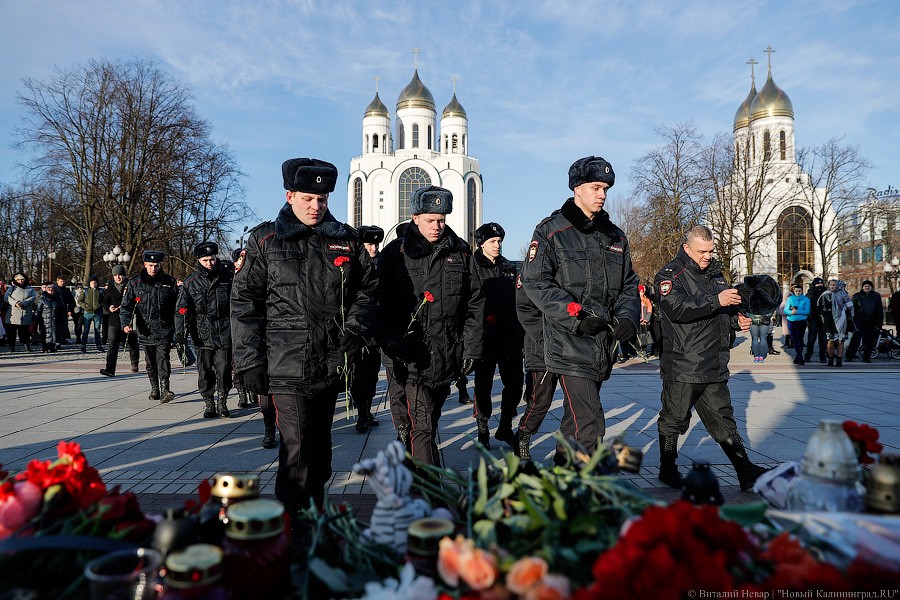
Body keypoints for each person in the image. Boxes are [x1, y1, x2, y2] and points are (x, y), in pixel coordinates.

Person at [231, 158, 378, 532]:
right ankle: (294, 519)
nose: (316, 206)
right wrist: (249, 360)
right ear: (290, 195)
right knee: (296, 446)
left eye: (323, 199)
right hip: (285, 363)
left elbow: (369, 289)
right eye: (309, 198)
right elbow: (245, 302)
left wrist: (355, 327)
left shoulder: (345, 238)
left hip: (330, 360)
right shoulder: (266, 239)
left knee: (320, 445)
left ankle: (314, 508)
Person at [520, 156, 639, 461]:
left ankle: (562, 480)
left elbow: (628, 283)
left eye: (606, 188)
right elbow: (535, 282)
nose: (602, 194)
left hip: (601, 344)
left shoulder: (615, 236)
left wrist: (627, 316)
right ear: (577, 188)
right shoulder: (551, 231)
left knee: (575, 420)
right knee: (590, 422)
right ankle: (584, 488)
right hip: (567, 342)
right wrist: (576, 316)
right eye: (596, 187)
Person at [377, 185, 484, 466]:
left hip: (447, 353)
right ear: (415, 217)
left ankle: (412, 468)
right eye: (430, 220)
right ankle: (427, 490)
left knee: (429, 423)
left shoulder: (460, 253)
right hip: (410, 355)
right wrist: (390, 341)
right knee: (422, 426)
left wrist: (471, 349)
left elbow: (474, 303)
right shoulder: (394, 254)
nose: (437, 226)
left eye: (441, 220)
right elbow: (379, 304)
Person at [654, 225, 767, 491]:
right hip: (685, 364)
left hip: (714, 364)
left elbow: (719, 314)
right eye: (702, 251)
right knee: (674, 419)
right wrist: (717, 300)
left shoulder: (716, 275)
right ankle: (667, 469)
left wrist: (735, 322)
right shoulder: (670, 276)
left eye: (711, 250)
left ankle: (745, 471)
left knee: (723, 420)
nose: (707, 256)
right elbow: (678, 309)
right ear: (687, 248)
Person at [470, 222, 524, 449]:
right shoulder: (472, 266)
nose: (497, 245)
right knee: (483, 385)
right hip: (484, 337)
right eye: (492, 241)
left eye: (499, 241)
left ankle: (504, 426)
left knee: (515, 384)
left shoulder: (509, 267)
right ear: (481, 243)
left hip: (509, 335)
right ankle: (483, 426)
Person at [176, 242, 234, 419]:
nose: (209, 263)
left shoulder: (227, 278)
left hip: (224, 330)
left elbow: (237, 304)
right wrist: (180, 333)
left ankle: (222, 400)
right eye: (205, 260)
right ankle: (208, 400)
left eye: (212, 259)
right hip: (202, 333)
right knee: (205, 369)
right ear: (199, 260)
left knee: (224, 368)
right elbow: (181, 309)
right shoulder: (191, 282)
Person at [120, 250, 178, 403]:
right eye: (150, 265)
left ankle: (165, 388)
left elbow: (177, 307)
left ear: (161, 265)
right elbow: (126, 306)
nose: (153, 268)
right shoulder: (135, 283)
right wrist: (125, 323)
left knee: (163, 359)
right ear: (145, 265)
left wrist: (178, 327)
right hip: (145, 329)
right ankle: (155, 388)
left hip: (164, 328)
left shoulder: (169, 282)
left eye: (157, 265)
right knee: (150, 362)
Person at [514, 277, 558, 461]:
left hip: (568, 345)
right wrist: (546, 338)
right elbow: (525, 310)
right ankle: (523, 434)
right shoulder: (531, 270)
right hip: (541, 346)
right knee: (540, 400)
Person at [350, 225, 385, 434]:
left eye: (375, 244)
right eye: (369, 244)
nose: (372, 248)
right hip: (357, 328)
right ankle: (361, 412)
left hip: (376, 328)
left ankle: (367, 409)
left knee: (372, 373)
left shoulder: (383, 263)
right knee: (358, 374)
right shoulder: (355, 264)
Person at [100, 265, 140, 377]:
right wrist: (109, 307)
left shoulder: (130, 285)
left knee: (131, 342)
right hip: (114, 319)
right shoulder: (110, 287)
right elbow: (105, 302)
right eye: (115, 275)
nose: (118, 277)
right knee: (112, 343)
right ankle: (110, 369)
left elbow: (136, 300)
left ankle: (134, 363)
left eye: (120, 275)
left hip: (128, 318)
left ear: (124, 275)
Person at [847, 280, 883, 363]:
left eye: (869, 286)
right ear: (862, 287)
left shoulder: (876, 296)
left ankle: (866, 357)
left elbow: (879, 309)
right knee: (855, 340)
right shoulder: (857, 296)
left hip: (871, 321)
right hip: (859, 321)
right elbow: (852, 309)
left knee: (869, 341)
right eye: (865, 286)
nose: (867, 288)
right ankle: (850, 356)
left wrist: (879, 322)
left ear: (871, 287)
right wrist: (852, 320)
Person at [819, 279, 853, 367]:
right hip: (829, 319)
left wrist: (850, 314)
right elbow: (820, 307)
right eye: (831, 284)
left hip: (841, 318)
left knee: (840, 340)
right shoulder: (825, 294)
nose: (832, 286)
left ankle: (839, 359)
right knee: (831, 340)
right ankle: (830, 358)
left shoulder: (842, 294)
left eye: (834, 284)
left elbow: (850, 306)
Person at [4, 273, 36, 352]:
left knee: (25, 332)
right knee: (11, 333)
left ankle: (27, 346)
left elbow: (33, 297)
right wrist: (15, 303)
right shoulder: (11, 288)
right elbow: (6, 297)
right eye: (18, 280)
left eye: (22, 279)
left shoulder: (30, 289)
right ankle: (11, 347)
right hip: (13, 314)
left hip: (25, 313)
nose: (20, 281)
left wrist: (23, 303)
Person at [784, 282, 811, 365]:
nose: (798, 293)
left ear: (802, 291)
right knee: (795, 339)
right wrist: (791, 312)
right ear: (794, 291)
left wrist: (797, 312)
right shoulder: (790, 299)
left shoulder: (806, 299)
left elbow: (807, 311)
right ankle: (799, 356)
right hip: (791, 321)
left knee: (800, 339)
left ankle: (798, 357)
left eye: (799, 291)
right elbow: (786, 310)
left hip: (801, 321)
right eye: (796, 291)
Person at [35, 282, 64, 352]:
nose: (51, 291)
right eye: (49, 289)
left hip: (55, 319)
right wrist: (37, 318)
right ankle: (45, 347)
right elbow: (38, 309)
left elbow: (62, 309)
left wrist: (63, 319)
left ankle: (53, 346)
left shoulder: (58, 299)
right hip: (45, 319)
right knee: (45, 333)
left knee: (54, 333)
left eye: (52, 290)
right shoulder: (42, 298)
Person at [804, 277, 827, 363]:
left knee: (823, 339)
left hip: (823, 319)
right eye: (817, 284)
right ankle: (808, 355)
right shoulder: (810, 293)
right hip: (813, 319)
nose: (819, 285)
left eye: (821, 283)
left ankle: (822, 356)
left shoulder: (826, 292)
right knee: (811, 338)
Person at [80, 275, 104, 353]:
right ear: (89, 283)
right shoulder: (85, 291)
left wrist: (99, 306)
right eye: (92, 282)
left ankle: (99, 345)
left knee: (97, 330)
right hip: (87, 313)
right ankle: (83, 345)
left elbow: (103, 301)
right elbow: (80, 301)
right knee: (86, 330)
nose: (93, 283)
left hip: (97, 313)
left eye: (95, 282)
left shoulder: (100, 291)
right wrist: (85, 306)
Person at [55, 276, 75, 344]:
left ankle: (63, 339)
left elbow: (71, 301)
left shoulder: (66, 290)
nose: (62, 283)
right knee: (56, 325)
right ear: (57, 281)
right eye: (61, 281)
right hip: (56, 310)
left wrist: (69, 310)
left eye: (63, 281)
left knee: (64, 325)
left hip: (64, 310)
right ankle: (57, 339)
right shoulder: (54, 289)